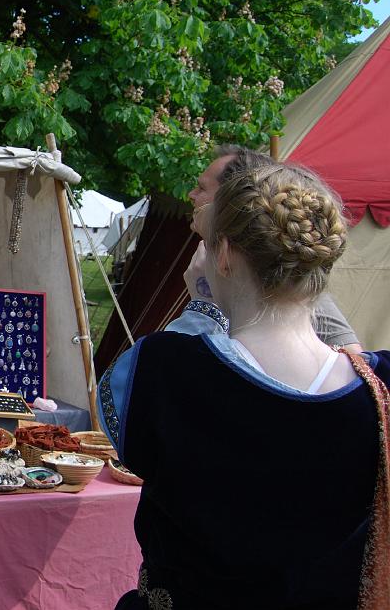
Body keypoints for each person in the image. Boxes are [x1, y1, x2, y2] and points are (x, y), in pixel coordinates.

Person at [98, 162, 390, 609]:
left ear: (226, 253)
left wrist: (202, 309)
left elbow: (125, 439)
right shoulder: (378, 388)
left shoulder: (165, 368)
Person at [188, 144, 363, 352]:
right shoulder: (208, 255)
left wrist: (203, 305)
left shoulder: (284, 265)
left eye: (202, 188)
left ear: (234, 196)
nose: (191, 194)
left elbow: (353, 355)